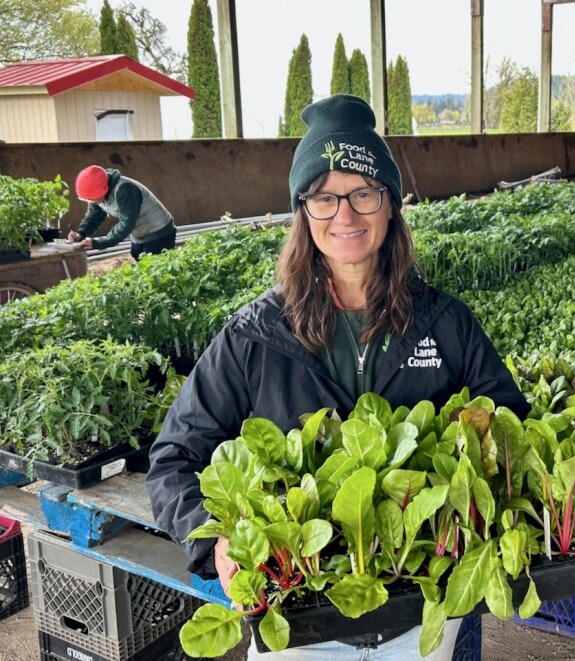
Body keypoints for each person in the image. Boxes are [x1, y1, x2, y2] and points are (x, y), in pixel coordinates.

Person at [145, 94, 530, 660]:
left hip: (416, 611)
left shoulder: (446, 323)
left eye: (363, 194)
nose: (344, 215)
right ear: (303, 211)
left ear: (391, 205)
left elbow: (508, 420)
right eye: (324, 197)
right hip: (297, 622)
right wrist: (219, 538)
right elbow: (174, 457)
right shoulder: (255, 335)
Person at [67, 165, 177, 260]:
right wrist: (81, 233)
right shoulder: (98, 193)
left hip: (159, 232)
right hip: (140, 233)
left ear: (104, 189)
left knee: (155, 272)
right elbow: (94, 216)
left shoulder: (125, 190)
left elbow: (126, 223)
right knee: (137, 257)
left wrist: (99, 242)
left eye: (92, 198)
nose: (91, 202)